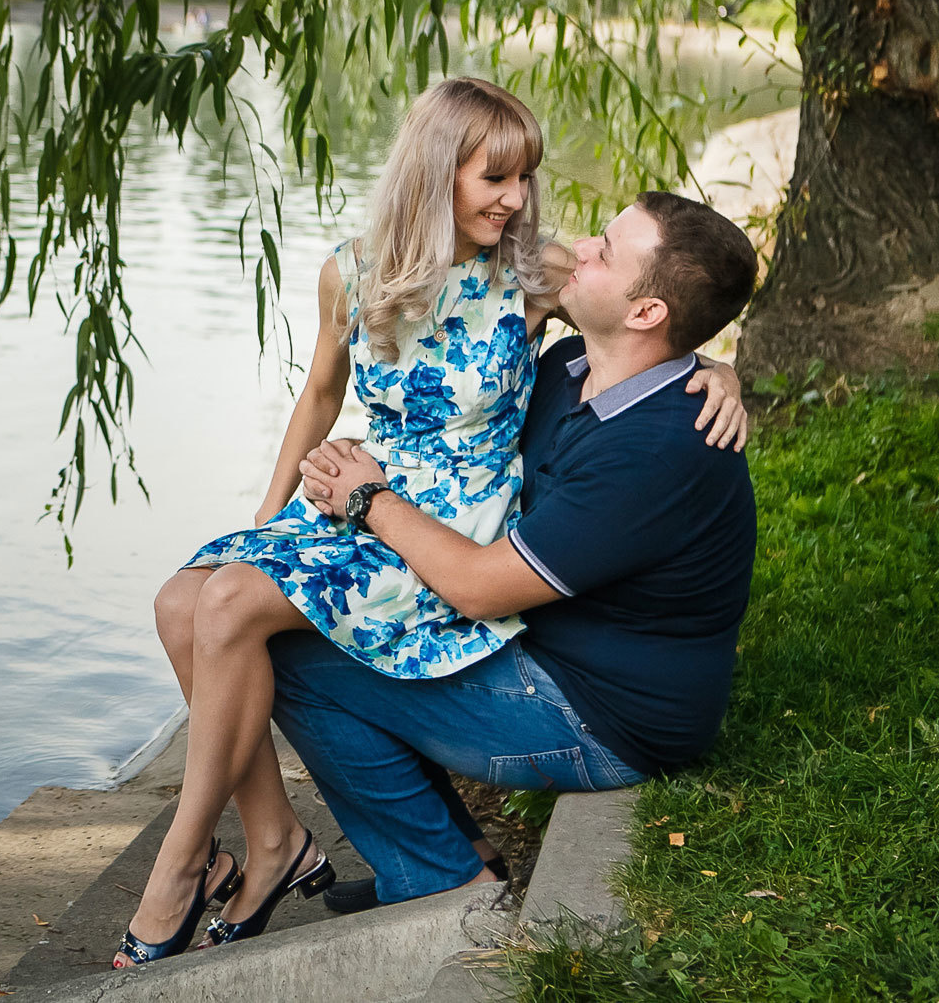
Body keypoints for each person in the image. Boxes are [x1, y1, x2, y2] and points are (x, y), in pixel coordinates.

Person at [110, 79, 749, 968]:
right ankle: (272, 841)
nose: (521, 200)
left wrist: (716, 370)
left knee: (233, 616)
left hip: (451, 541)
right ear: (435, 171)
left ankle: (184, 866)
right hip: (375, 501)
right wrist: (271, 515)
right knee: (184, 601)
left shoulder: (535, 278)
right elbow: (322, 391)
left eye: (525, 176)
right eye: (498, 177)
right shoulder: (361, 274)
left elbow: (661, 316)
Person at [278, 190, 759, 913]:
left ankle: (439, 879)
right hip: (545, 647)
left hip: (601, 717)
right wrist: (715, 362)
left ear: (647, 313)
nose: (579, 249)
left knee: (293, 658)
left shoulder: (658, 449)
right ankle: (455, 853)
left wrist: (369, 498)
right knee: (338, 623)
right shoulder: (573, 365)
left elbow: (478, 587)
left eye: (604, 250)